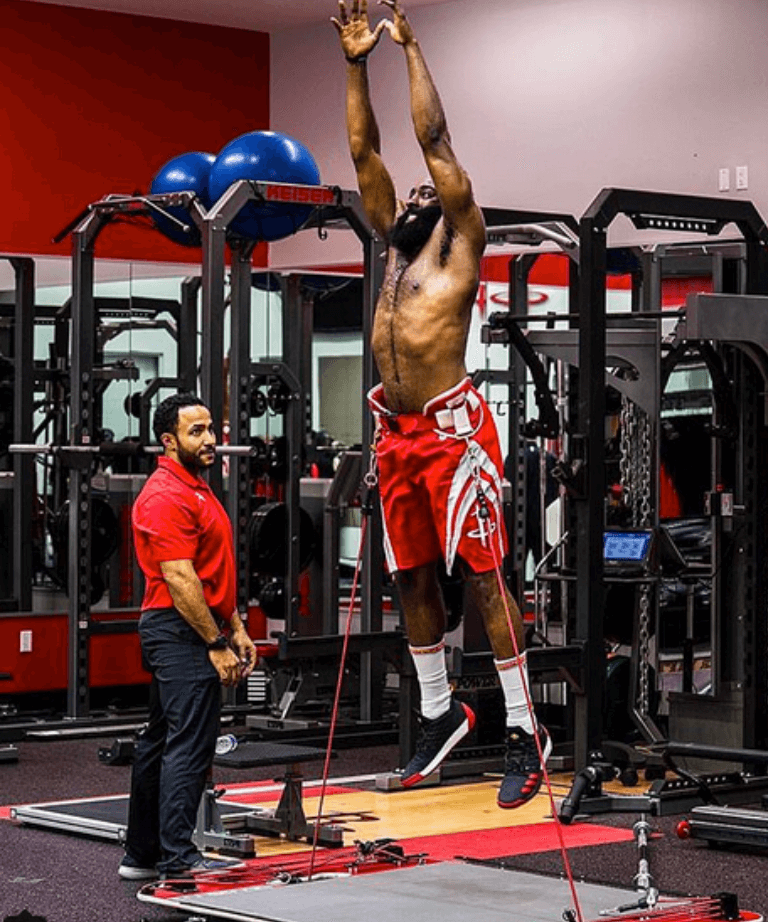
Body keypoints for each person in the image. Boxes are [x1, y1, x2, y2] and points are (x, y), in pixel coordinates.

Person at [332, 0, 550, 808]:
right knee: (412, 577)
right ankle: (438, 712)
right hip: (397, 433)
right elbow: (366, 147)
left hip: (455, 434)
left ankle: (527, 729)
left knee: (486, 581)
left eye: (429, 191)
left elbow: (432, 141)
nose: (416, 191)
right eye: (414, 191)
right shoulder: (391, 242)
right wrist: (357, 63)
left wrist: (411, 50)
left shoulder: (457, 248)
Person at [119, 392, 256, 880]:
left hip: (194, 625)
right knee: (190, 744)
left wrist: (236, 626)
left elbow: (212, 570)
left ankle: (142, 855)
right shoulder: (165, 495)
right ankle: (178, 858)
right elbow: (181, 579)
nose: (210, 439)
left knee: (159, 741)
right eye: (196, 432)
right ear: (168, 441)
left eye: (211, 429)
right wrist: (215, 644)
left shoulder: (196, 487)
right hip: (179, 630)